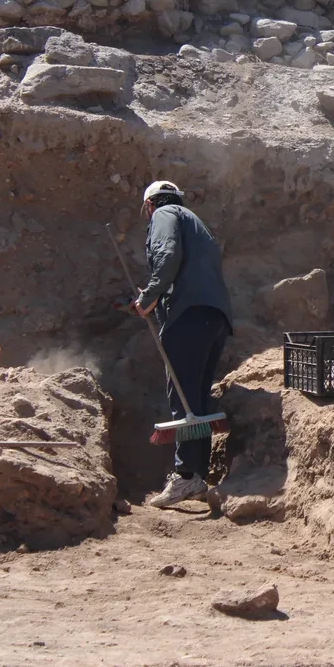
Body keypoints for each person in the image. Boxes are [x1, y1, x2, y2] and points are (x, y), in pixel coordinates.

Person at [132, 180, 234, 508]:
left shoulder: (164, 215)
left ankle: (186, 474)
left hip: (188, 316)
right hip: (214, 317)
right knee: (196, 398)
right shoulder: (195, 223)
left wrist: (148, 297)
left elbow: (167, 254)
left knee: (183, 398)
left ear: (150, 205)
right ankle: (197, 477)